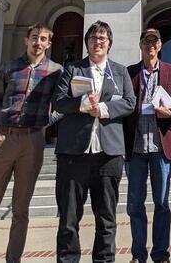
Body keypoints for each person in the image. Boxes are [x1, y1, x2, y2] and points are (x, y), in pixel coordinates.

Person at [0, 23, 62, 263]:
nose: (37, 43)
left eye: (43, 39)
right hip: (4, 139)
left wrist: (44, 123)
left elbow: (62, 105)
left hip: (32, 141)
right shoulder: (10, 68)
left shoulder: (55, 71)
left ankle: (14, 259)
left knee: (21, 210)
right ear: (26, 40)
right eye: (34, 38)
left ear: (49, 44)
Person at [52, 20, 136, 263]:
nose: (97, 42)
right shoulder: (72, 69)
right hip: (73, 154)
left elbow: (130, 103)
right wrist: (82, 105)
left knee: (106, 218)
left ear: (109, 43)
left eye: (102, 39)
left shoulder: (120, 72)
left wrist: (103, 108)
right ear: (87, 43)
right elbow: (58, 101)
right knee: (68, 219)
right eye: (93, 38)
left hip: (108, 155)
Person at [124, 28, 171, 263]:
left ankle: (161, 254)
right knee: (135, 204)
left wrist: (169, 113)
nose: (150, 45)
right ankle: (138, 254)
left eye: (154, 41)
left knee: (162, 202)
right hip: (135, 147)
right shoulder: (129, 73)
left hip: (161, 146)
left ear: (160, 46)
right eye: (146, 41)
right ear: (140, 45)